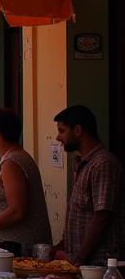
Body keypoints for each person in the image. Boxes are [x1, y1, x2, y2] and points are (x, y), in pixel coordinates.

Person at [54, 104, 125, 266]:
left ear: (78, 130)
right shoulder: (82, 164)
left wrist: (79, 258)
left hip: (99, 264)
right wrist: (60, 246)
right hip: (81, 263)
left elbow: (102, 217)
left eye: (62, 131)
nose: (58, 137)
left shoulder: (103, 164)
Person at [0, 108, 52, 254]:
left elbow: (17, 211)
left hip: (17, 249)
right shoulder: (14, 157)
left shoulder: (12, 163)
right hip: (10, 246)